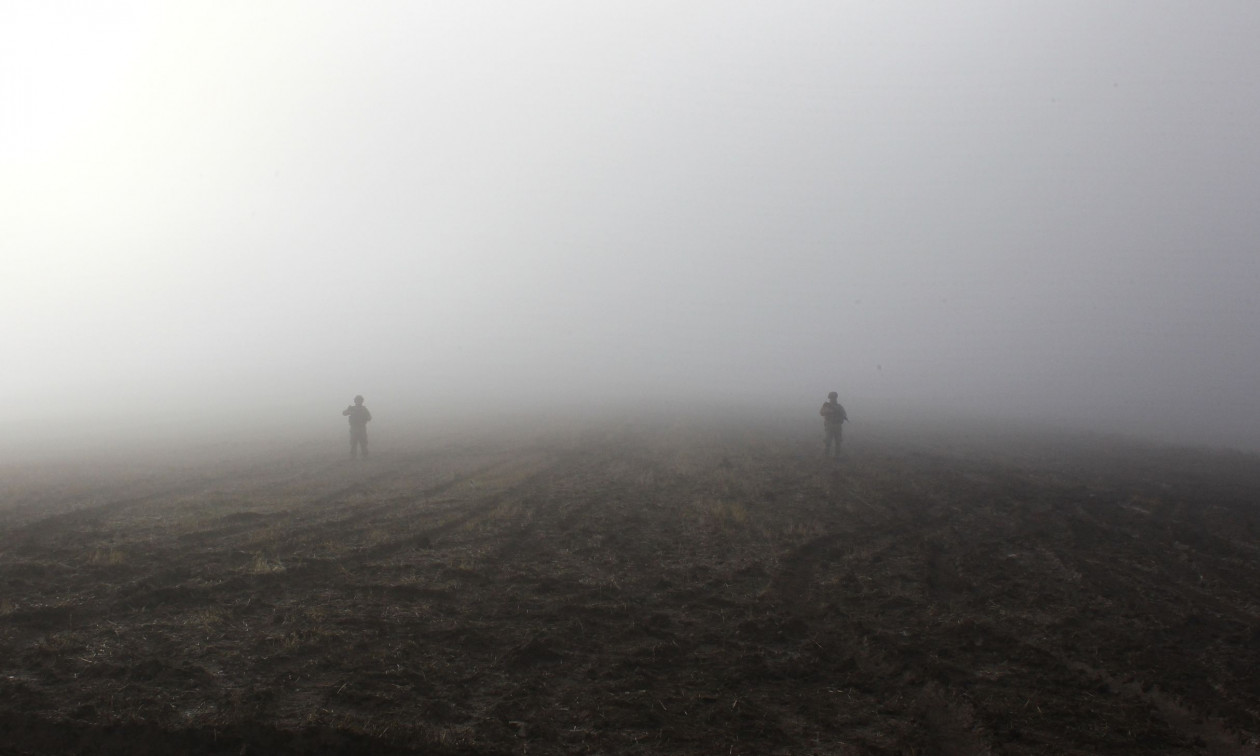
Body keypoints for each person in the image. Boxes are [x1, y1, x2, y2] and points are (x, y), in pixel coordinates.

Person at [342, 395, 372, 459]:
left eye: (360, 401)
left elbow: (369, 417)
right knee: (353, 442)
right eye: (357, 400)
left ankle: (365, 455)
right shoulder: (352, 408)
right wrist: (350, 412)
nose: (358, 402)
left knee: (363, 442)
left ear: (362, 401)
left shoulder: (364, 409)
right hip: (354, 428)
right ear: (355, 401)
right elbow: (344, 413)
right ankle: (353, 456)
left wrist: (366, 418)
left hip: (362, 428)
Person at [820, 391, 848, 458]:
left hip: (837, 426)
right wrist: (829, 411)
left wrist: (842, 416)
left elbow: (844, 414)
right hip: (829, 425)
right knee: (827, 441)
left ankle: (837, 456)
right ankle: (826, 455)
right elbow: (821, 412)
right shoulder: (826, 405)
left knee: (838, 441)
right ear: (829, 398)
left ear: (836, 398)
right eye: (831, 398)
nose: (833, 399)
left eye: (834, 397)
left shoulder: (839, 407)